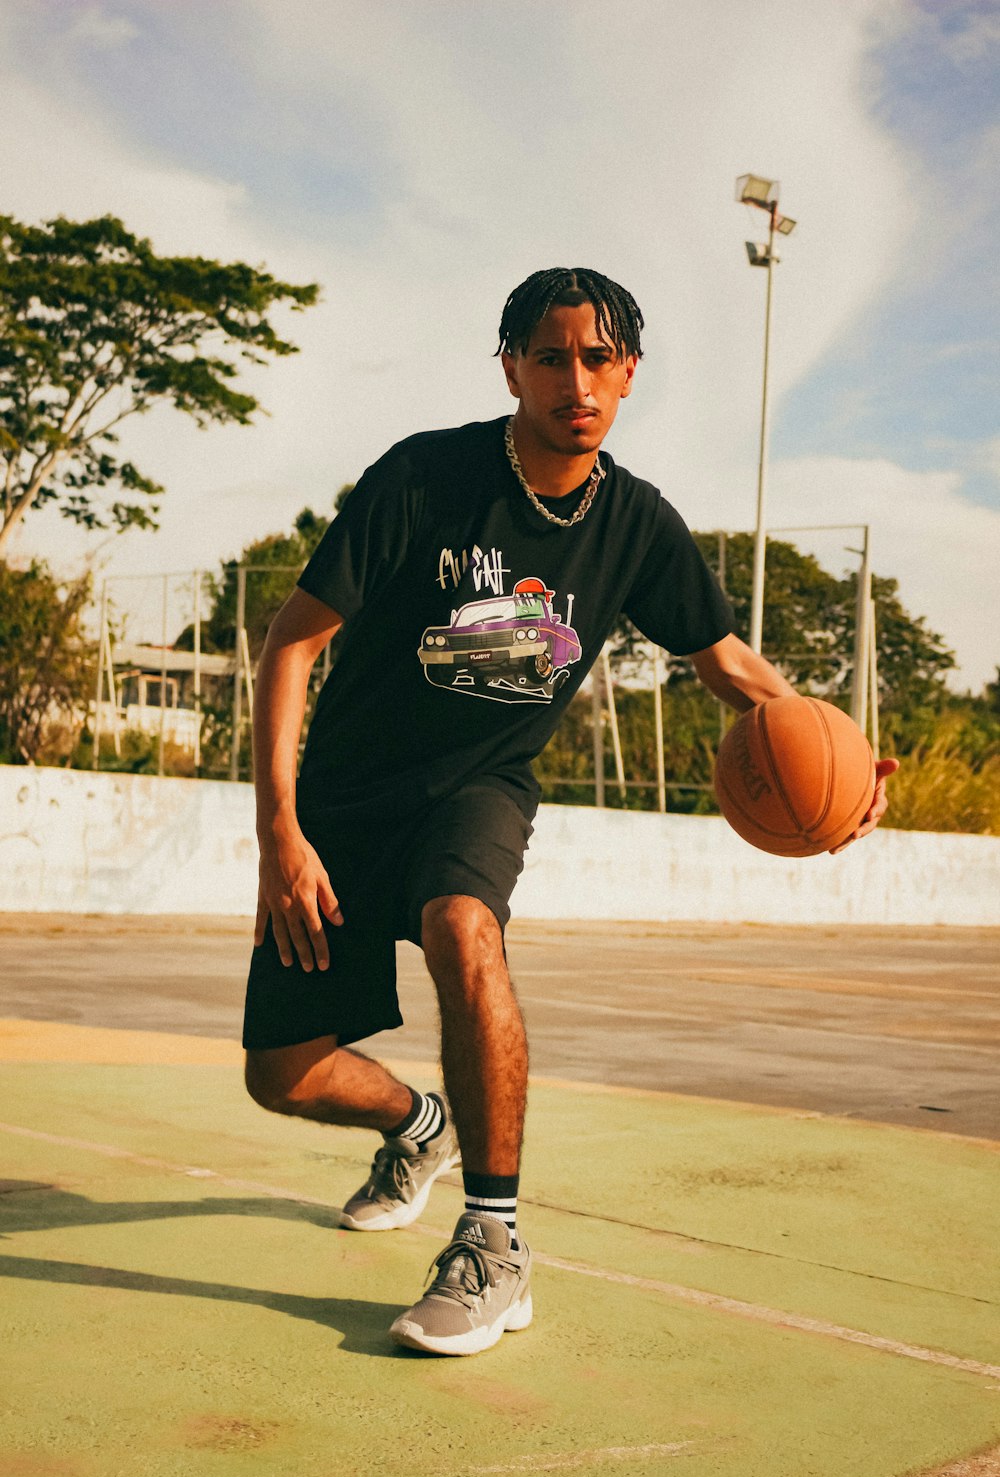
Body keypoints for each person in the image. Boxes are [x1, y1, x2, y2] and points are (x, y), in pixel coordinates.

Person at [242, 267, 896, 1358]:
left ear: (629, 375)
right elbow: (292, 641)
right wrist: (279, 830)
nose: (575, 381)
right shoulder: (422, 478)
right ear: (512, 367)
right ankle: (420, 1126)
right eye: (551, 357)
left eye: (598, 360)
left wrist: (841, 767)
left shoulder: (634, 524)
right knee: (283, 1073)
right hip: (344, 802)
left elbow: (725, 661)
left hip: (477, 789)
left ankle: (493, 1245)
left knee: (465, 925)